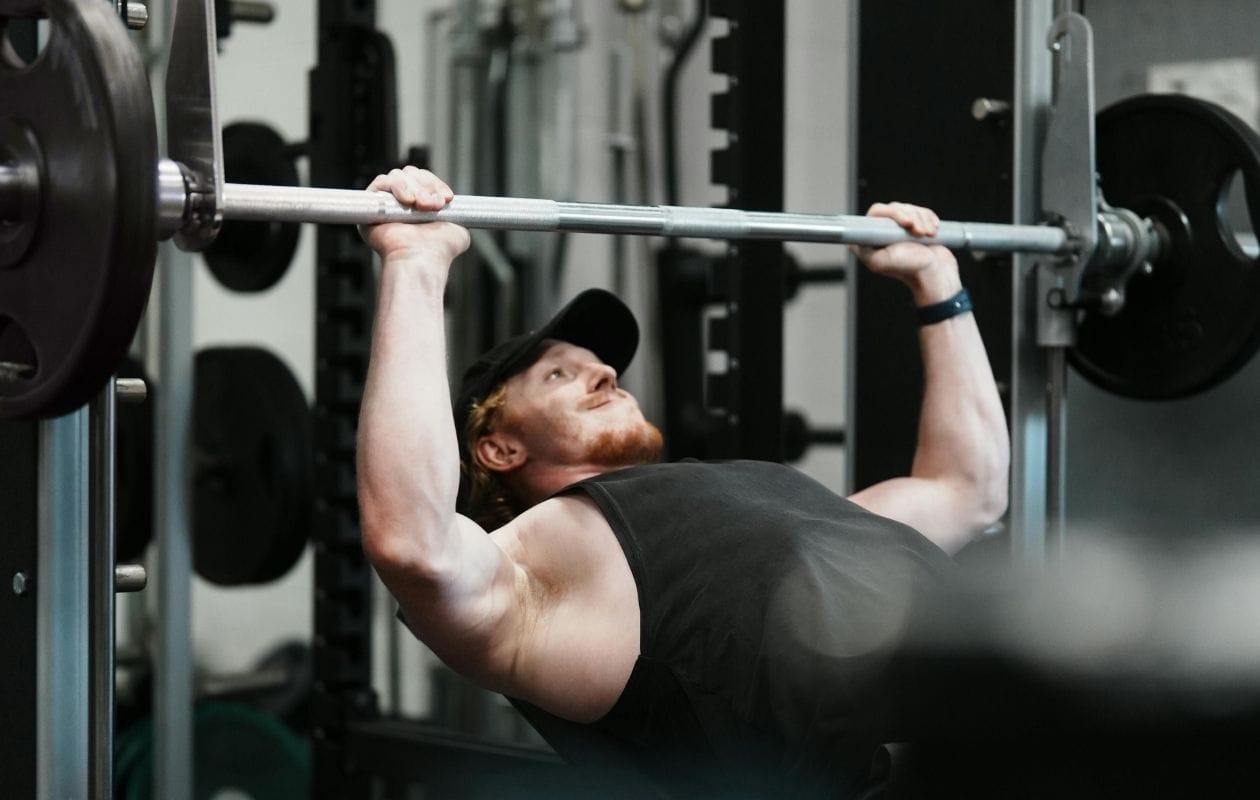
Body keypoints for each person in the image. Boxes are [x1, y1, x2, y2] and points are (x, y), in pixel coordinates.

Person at [356, 167, 1009, 797]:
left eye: (602, 366)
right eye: (559, 374)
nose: (607, 374)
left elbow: (968, 490)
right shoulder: (537, 578)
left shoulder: (760, 499)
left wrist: (937, 281)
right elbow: (414, 544)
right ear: (499, 447)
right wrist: (417, 263)